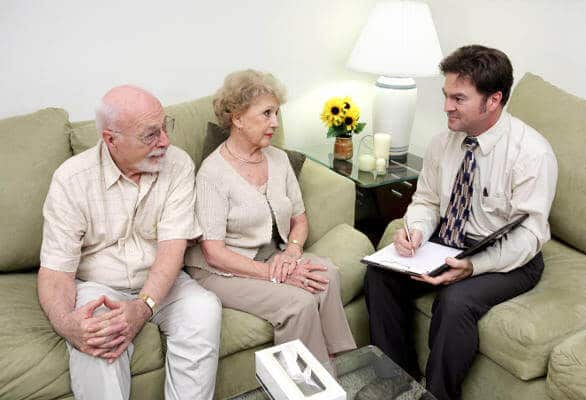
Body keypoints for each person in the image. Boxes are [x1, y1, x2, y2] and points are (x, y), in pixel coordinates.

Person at [364, 45, 558, 400]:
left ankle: (436, 394)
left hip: (509, 255)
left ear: (493, 100)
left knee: (455, 300)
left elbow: (529, 236)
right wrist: (416, 232)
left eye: (459, 98)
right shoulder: (443, 143)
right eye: (445, 95)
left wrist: (472, 266)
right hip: (446, 240)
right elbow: (426, 201)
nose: (446, 107)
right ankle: (397, 377)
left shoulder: (532, 154)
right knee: (380, 274)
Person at [37, 85, 222, 400]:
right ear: (111, 139)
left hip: (163, 281)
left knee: (203, 309)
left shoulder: (177, 164)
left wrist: (143, 306)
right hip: (99, 285)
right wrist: (69, 326)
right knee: (97, 337)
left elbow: (172, 248)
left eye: (165, 127)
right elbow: (56, 272)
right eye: (151, 135)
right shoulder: (71, 180)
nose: (165, 140)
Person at [185, 70, 356, 368]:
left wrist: (290, 253)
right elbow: (213, 253)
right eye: (266, 113)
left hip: (269, 255)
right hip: (220, 269)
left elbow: (299, 220)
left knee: (325, 274)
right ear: (237, 117)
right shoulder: (213, 174)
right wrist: (276, 275)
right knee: (298, 303)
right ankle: (303, 386)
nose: (275, 123)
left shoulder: (278, 159)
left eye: (276, 113)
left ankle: (340, 365)